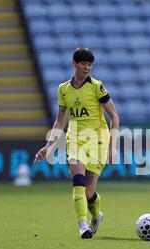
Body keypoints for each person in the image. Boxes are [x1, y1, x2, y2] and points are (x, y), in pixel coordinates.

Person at [34, 48, 120, 239]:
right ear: (74, 63)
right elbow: (60, 121)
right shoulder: (63, 89)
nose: (87, 68)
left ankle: (96, 216)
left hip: (97, 140)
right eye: (83, 64)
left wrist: (113, 146)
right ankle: (83, 225)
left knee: (89, 192)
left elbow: (114, 116)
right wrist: (49, 146)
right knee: (78, 183)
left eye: (90, 64)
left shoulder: (97, 87)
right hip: (75, 139)